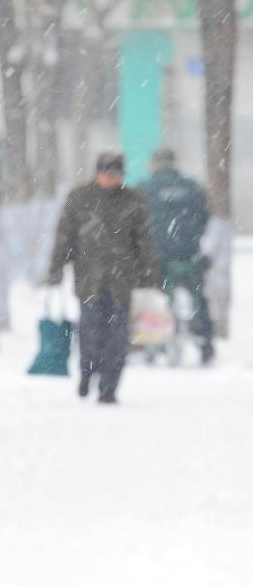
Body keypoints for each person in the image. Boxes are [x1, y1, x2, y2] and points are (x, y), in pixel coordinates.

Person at [47, 151, 159, 404]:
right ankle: (87, 372)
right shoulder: (80, 198)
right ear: (97, 173)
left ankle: (109, 387)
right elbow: (65, 236)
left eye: (115, 174)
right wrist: (56, 268)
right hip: (89, 280)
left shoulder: (133, 201)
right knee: (90, 332)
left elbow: (145, 241)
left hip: (122, 281)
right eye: (106, 174)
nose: (110, 179)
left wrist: (150, 274)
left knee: (117, 338)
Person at [138, 147, 214, 364]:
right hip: (188, 256)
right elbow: (204, 218)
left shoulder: (143, 189)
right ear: (174, 163)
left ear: (154, 164)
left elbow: (135, 224)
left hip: (156, 257)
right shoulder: (193, 188)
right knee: (198, 295)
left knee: (151, 293)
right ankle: (205, 341)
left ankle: (150, 341)